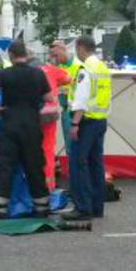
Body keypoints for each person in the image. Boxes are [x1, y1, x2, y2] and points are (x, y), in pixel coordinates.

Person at [0, 40, 52, 219]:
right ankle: (42, 208)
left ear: (11, 55)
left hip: (9, 125)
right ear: (26, 55)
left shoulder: (4, 74)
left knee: (6, 167)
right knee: (34, 166)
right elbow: (49, 97)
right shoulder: (38, 74)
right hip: (31, 125)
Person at [64, 36, 111, 221]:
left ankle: (82, 208)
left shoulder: (86, 69)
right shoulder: (102, 67)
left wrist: (75, 123)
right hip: (100, 121)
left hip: (86, 122)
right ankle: (96, 207)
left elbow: (81, 99)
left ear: (80, 47)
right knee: (95, 165)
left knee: (78, 164)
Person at [38, 60, 72, 191]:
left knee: (31, 149)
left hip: (31, 114)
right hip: (49, 114)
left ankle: (34, 185)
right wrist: (57, 83)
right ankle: (49, 186)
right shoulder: (52, 69)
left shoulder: (27, 70)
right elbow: (68, 79)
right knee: (47, 149)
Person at [49, 39, 81, 177]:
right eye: (52, 56)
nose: (54, 59)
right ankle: (73, 176)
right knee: (68, 146)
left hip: (76, 110)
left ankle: (77, 176)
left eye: (56, 55)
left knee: (74, 146)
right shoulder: (58, 66)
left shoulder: (78, 66)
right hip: (64, 109)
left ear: (63, 49)